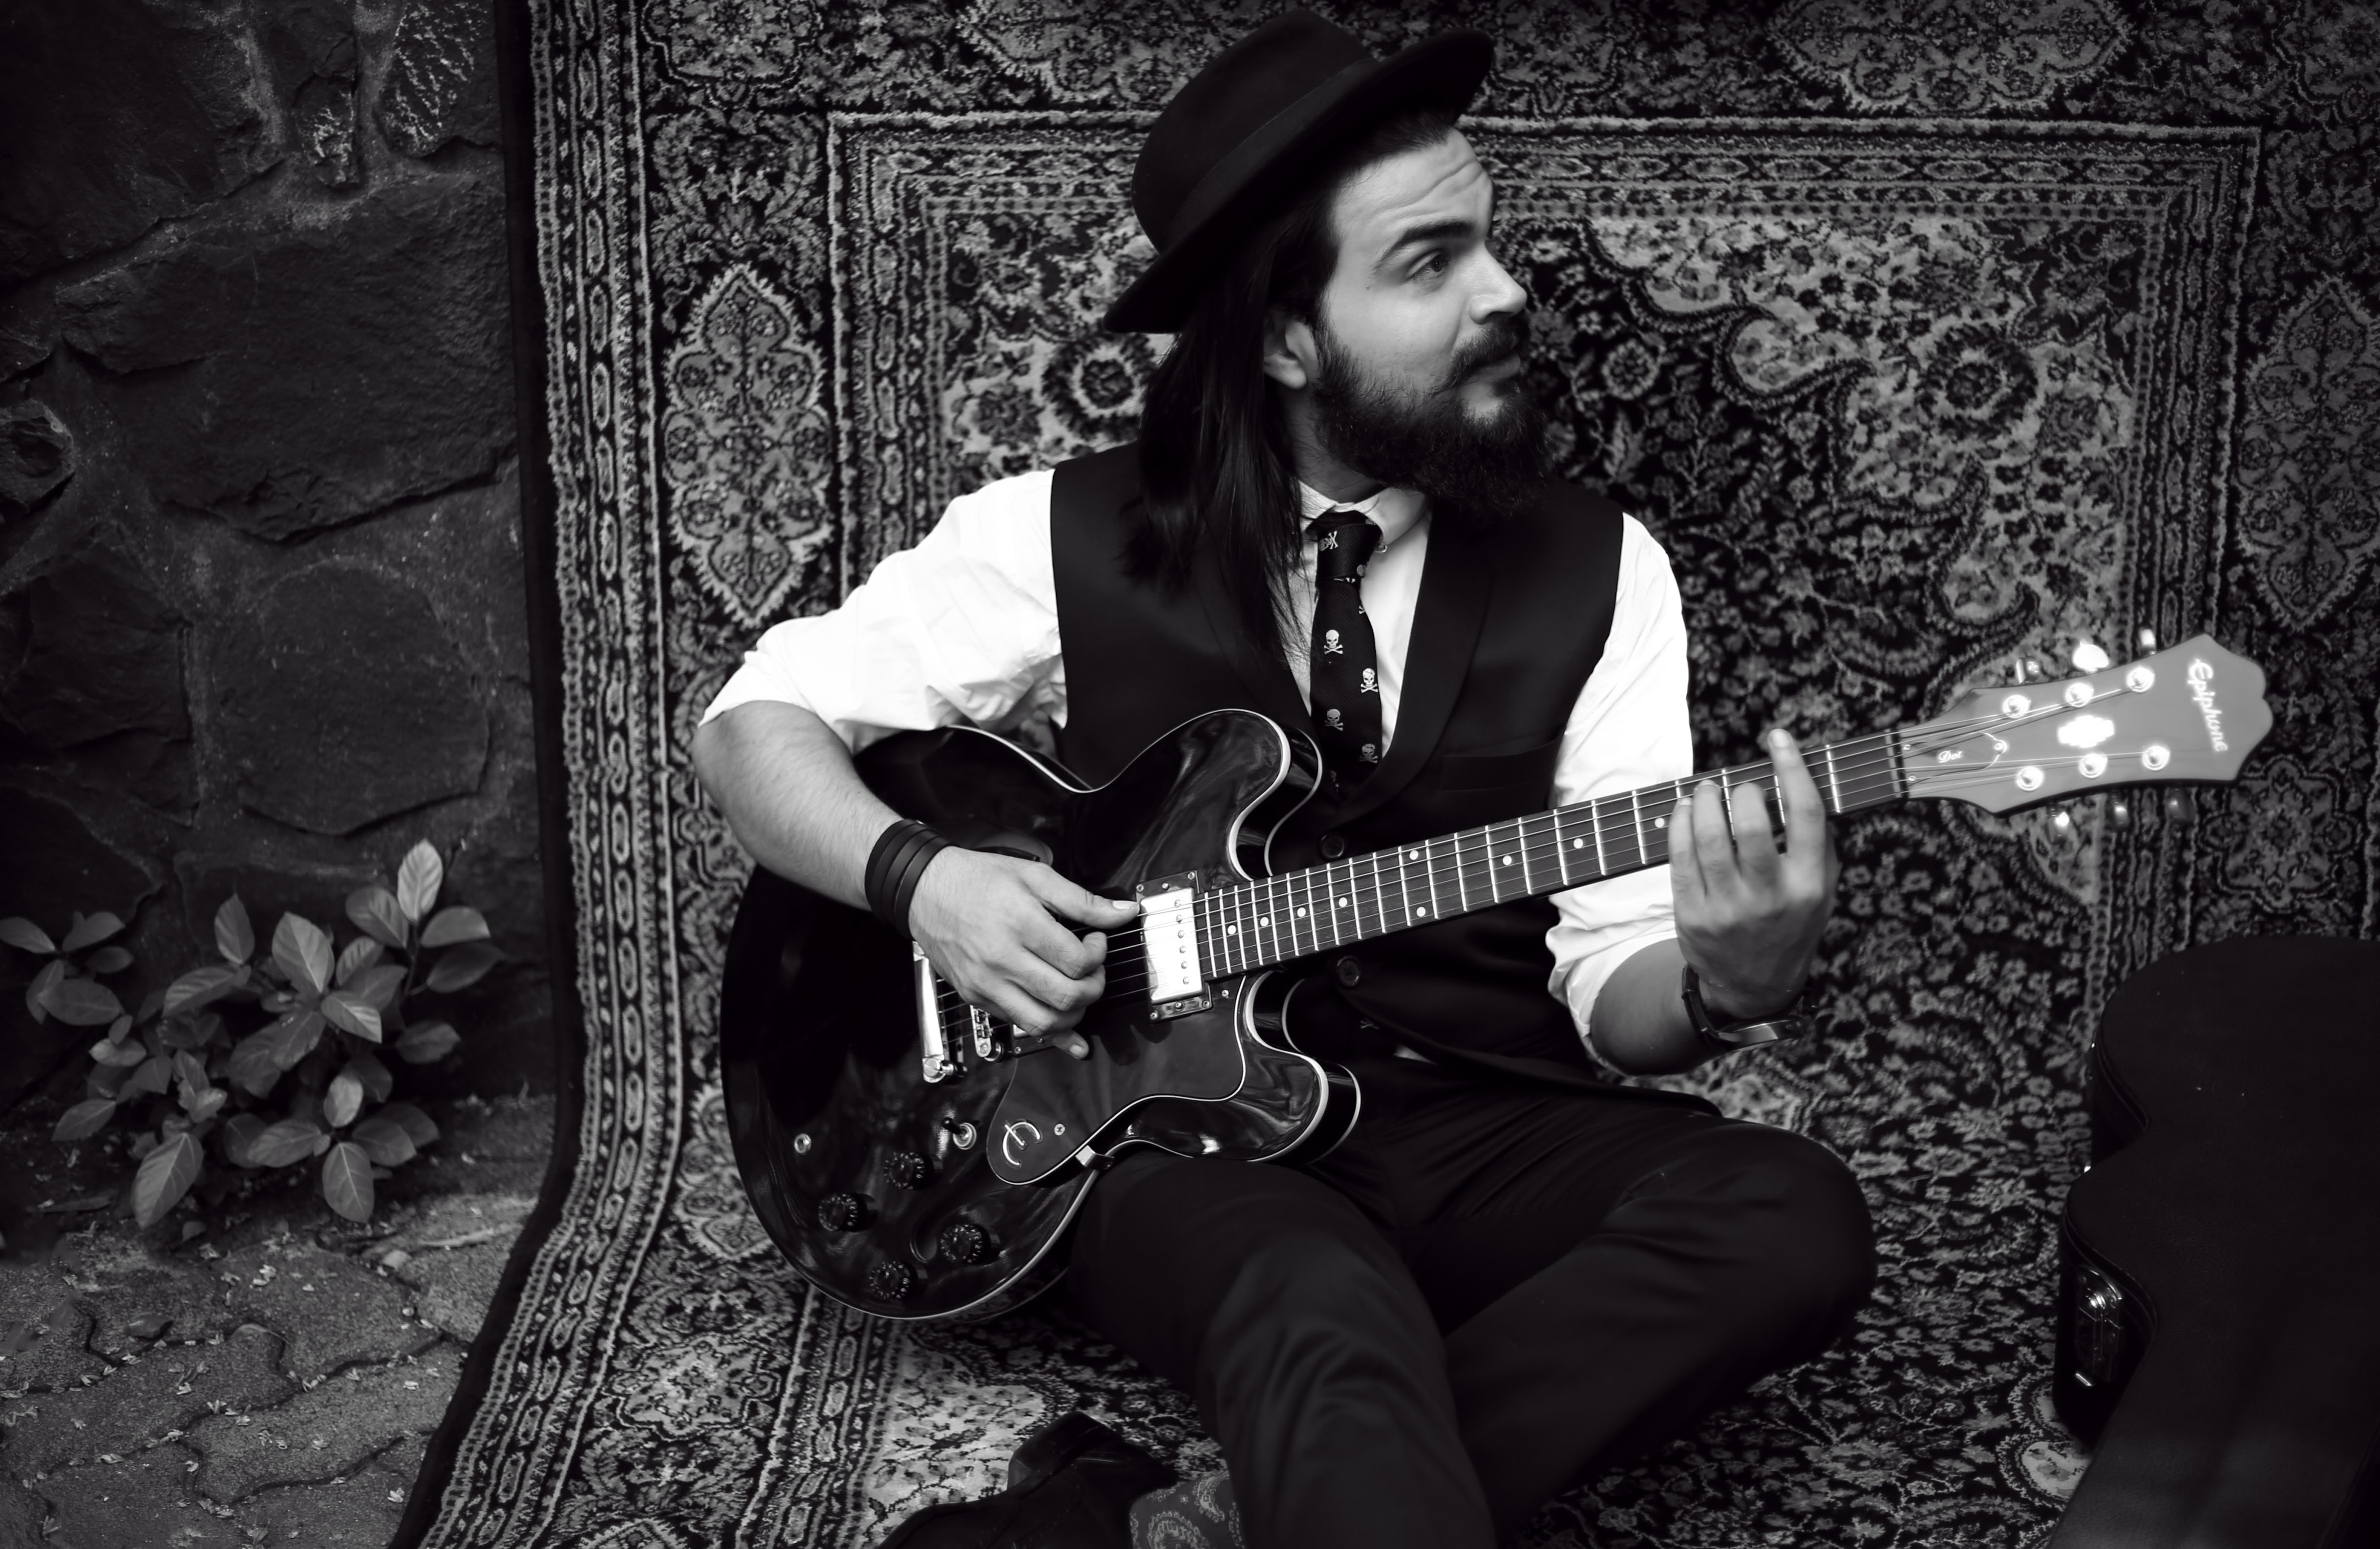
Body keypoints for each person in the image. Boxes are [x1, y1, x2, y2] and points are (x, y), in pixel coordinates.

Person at [692, 12, 1874, 1548]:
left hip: (1476, 1124)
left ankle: (1172, 1523)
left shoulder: (1603, 571)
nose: (1504, 292)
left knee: (1793, 1217)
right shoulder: (1058, 539)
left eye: (1487, 244)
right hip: (1164, 1139)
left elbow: (1615, 995)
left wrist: (1724, 981)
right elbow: (752, 724)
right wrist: (932, 880)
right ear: (1283, 336)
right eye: (1428, 263)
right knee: (1322, 1304)